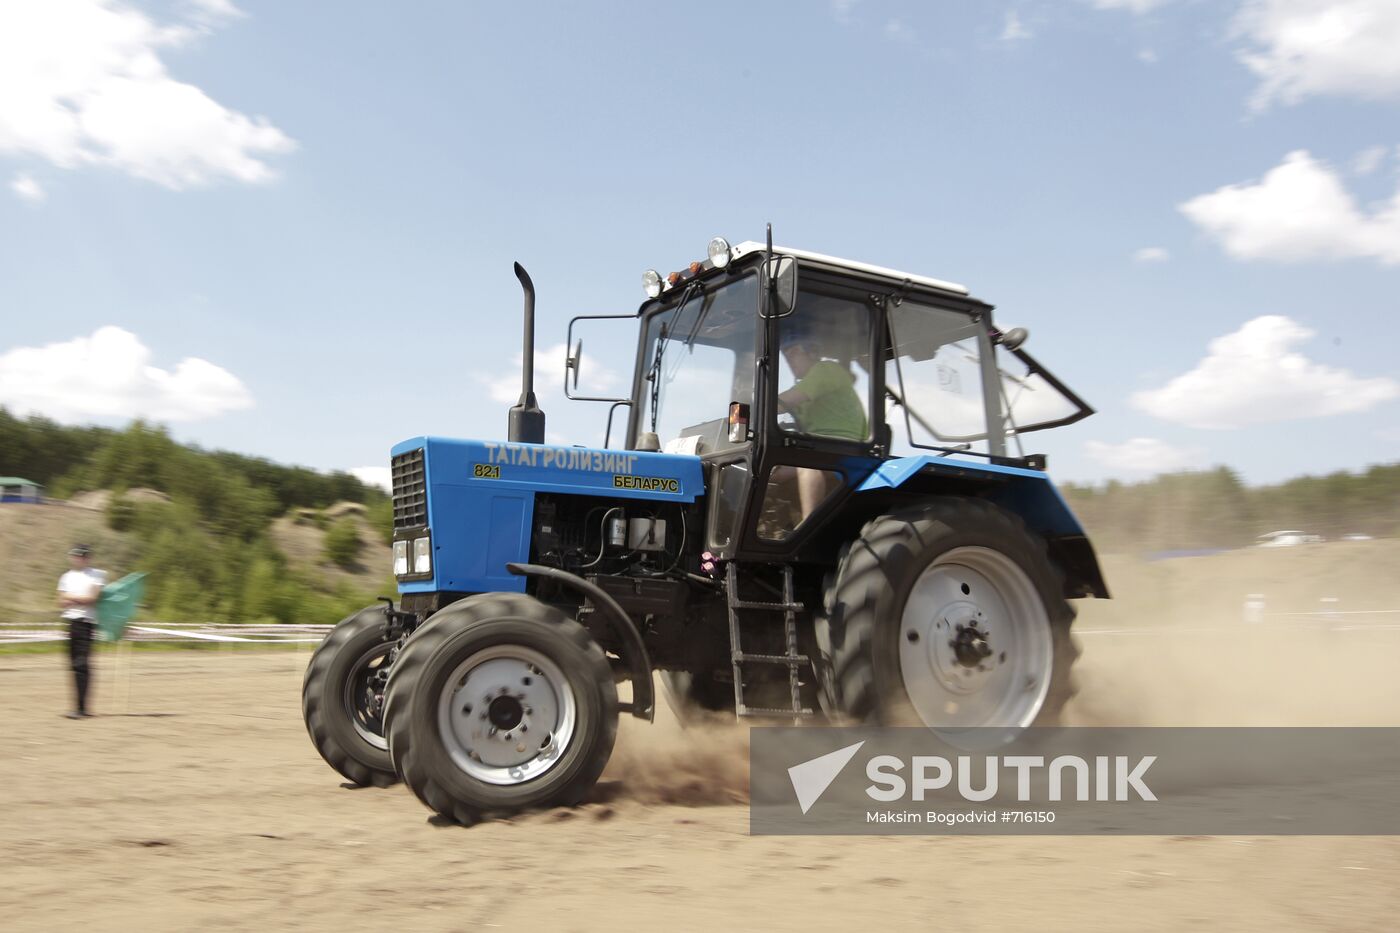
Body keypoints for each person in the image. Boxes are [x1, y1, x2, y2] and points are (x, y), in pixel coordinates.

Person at [773, 331, 869, 522]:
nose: (789, 360)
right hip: (821, 444)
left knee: (807, 463)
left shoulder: (825, 370)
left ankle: (810, 524)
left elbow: (783, 401)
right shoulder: (808, 386)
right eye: (786, 355)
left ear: (812, 352)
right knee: (774, 473)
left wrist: (750, 406)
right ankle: (779, 528)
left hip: (846, 444)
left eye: (794, 353)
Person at [57, 544, 106, 719]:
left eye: (80, 556)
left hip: (86, 623)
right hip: (71, 622)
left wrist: (72, 598)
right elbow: (61, 601)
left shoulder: (97, 575)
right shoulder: (66, 577)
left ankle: (82, 708)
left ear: (87, 557)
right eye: (75, 556)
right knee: (73, 664)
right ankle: (77, 707)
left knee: (81, 664)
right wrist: (76, 599)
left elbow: (92, 599)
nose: (77, 559)